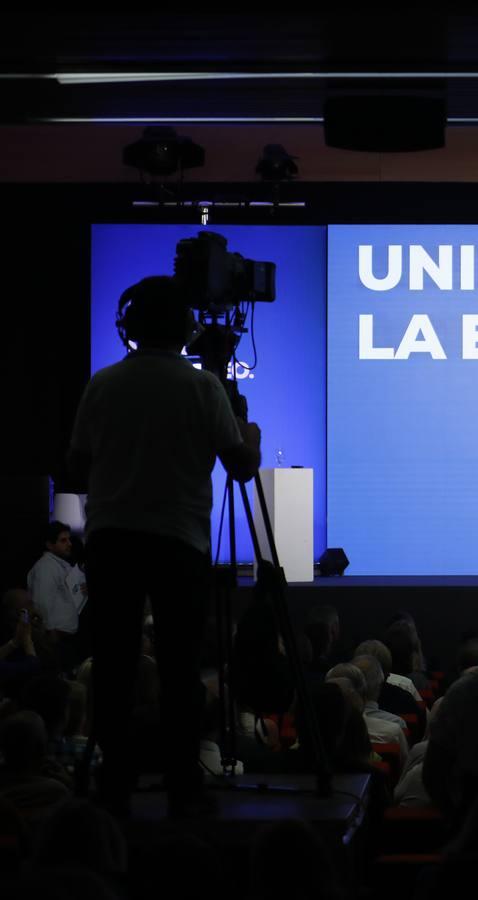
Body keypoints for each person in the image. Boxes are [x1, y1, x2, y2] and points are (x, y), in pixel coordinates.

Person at [68, 275, 262, 816]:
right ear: (186, 328)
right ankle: (183, 784)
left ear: (128, 325)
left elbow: (77, 466)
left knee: (114, 665)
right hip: (179, 543)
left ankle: (114, 784)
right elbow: (242, 468)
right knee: (179, 668)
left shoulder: (102, 384)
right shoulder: (202, 388)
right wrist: (248, 431)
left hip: (111, 540)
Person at [26, 521, 87, 664]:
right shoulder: (46, 567)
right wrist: (49, 631)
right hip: (55, 639)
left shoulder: (59, 565)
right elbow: (41, 603)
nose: (69, 544)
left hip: (65, 638)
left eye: (69, 539)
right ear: (49, 545)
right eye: (63, 540)